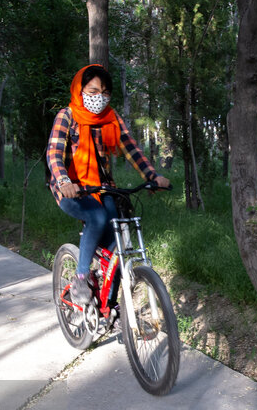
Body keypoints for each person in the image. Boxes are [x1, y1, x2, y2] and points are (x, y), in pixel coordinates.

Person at [47, 64, 170, 304]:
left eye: (104, 92)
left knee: (118, 243)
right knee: (98, 218)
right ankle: (81, 277)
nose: (99, 98)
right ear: (80, 90)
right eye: (92, 91)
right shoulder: (68, 116)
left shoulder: (111, 119)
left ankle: (110, 305)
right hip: (72, 189)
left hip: (103, 189)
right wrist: (64, 180)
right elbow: (54, 152)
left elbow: (131, 148)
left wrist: (152, 176)